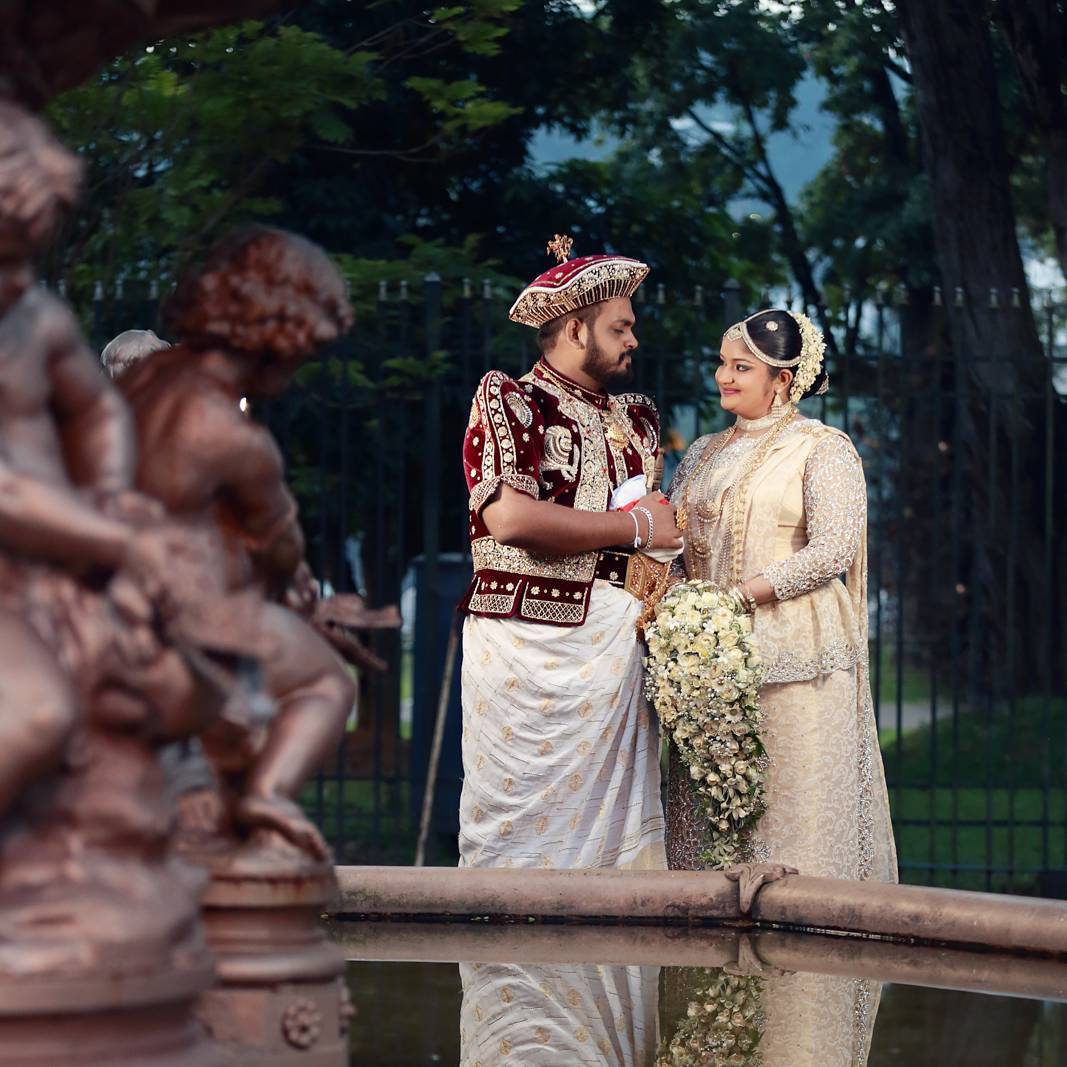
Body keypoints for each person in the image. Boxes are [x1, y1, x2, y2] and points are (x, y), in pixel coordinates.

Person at [664, 307, 897, 1065]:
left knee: (794, 822)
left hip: (795, 664)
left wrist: (746, 594)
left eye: (740, 367)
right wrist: (678, 608)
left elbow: (833, 547)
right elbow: (674, 540)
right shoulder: (698, 451)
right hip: (707, 668)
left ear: (784, 379)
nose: (723, 376)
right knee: (707, 832)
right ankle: (707, 999)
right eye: (722, 363)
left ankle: (804, 1028)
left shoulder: (822, 449)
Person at [118, 227, 357, 860]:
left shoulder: (142, 384)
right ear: (280, 337)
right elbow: (281, 550)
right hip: (178, 621)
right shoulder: (236, 437)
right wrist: (301, 601)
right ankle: (269, 794)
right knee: (325, 682)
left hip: (108, 591)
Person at [457, 234, 682, 872]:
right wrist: (630, 528)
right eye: (620, 327)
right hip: (522, 641)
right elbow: (507, 517)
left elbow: (654, 526)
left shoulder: (637, 417)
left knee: (616, 848)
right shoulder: (512, 400)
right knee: (514, 843)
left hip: (613, 648)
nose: (634, 339)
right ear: (577, 331)